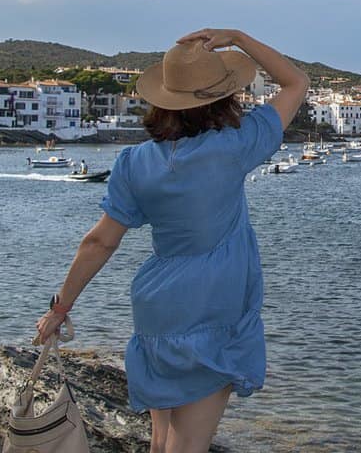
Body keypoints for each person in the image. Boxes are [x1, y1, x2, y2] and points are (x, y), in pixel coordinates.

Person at [34, 29, 309, 453]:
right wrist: (238, 38)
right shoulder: (235, 146)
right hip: (211, 308)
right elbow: (296, 83)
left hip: (157, 306)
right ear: (223, 98)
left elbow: (98, 243)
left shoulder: (135, 161)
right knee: (187, 446)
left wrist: (61, 308)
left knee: (162, 441)